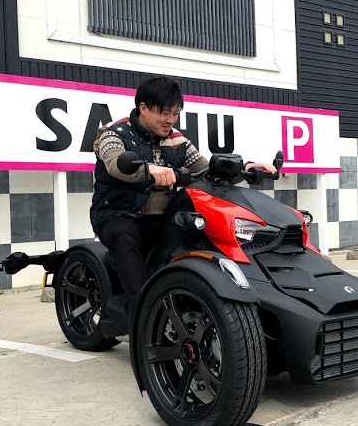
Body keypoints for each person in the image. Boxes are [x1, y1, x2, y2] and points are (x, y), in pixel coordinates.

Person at [90, 76, 275, 305]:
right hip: (118, 213)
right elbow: (115, 162)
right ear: (143, 108)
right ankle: (142, 310)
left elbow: (206, 169)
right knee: (125, 235)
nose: (171, 120)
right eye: (165, 113)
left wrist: (246, 168)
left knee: (200, 232)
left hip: (163, 217)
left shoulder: (177, 139)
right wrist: (149, 169)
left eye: (175, 113)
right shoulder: (114, 132)